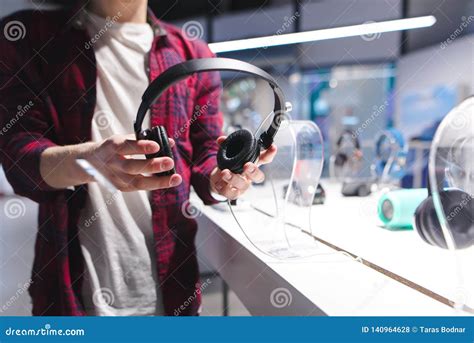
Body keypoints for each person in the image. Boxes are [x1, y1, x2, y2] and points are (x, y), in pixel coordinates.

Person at [0, 0, 276, 316]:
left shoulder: (193, 54)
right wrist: (90, 161)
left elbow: (206, 157)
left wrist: (224, 179)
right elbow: (19, 157)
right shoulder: (30, 38)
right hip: (70, 295)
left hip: (172, 292)